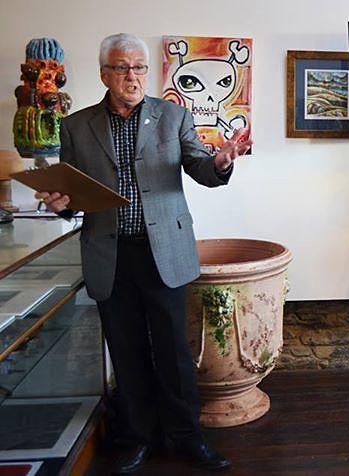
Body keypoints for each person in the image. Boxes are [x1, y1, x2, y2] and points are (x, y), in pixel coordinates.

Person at [36, 33, 251, 473]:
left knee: (173, 351)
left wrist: (222, 162)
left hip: (164, 252)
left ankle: (189, 438)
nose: (132, 75)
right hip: (108, 253)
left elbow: (199, 167)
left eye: (138, 67)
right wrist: (61, 201)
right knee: (127, 351)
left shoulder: (173, 115)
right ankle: (138, 438)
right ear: (104, 74)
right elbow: (75, 192)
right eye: (121, 67)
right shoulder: (75, 125)